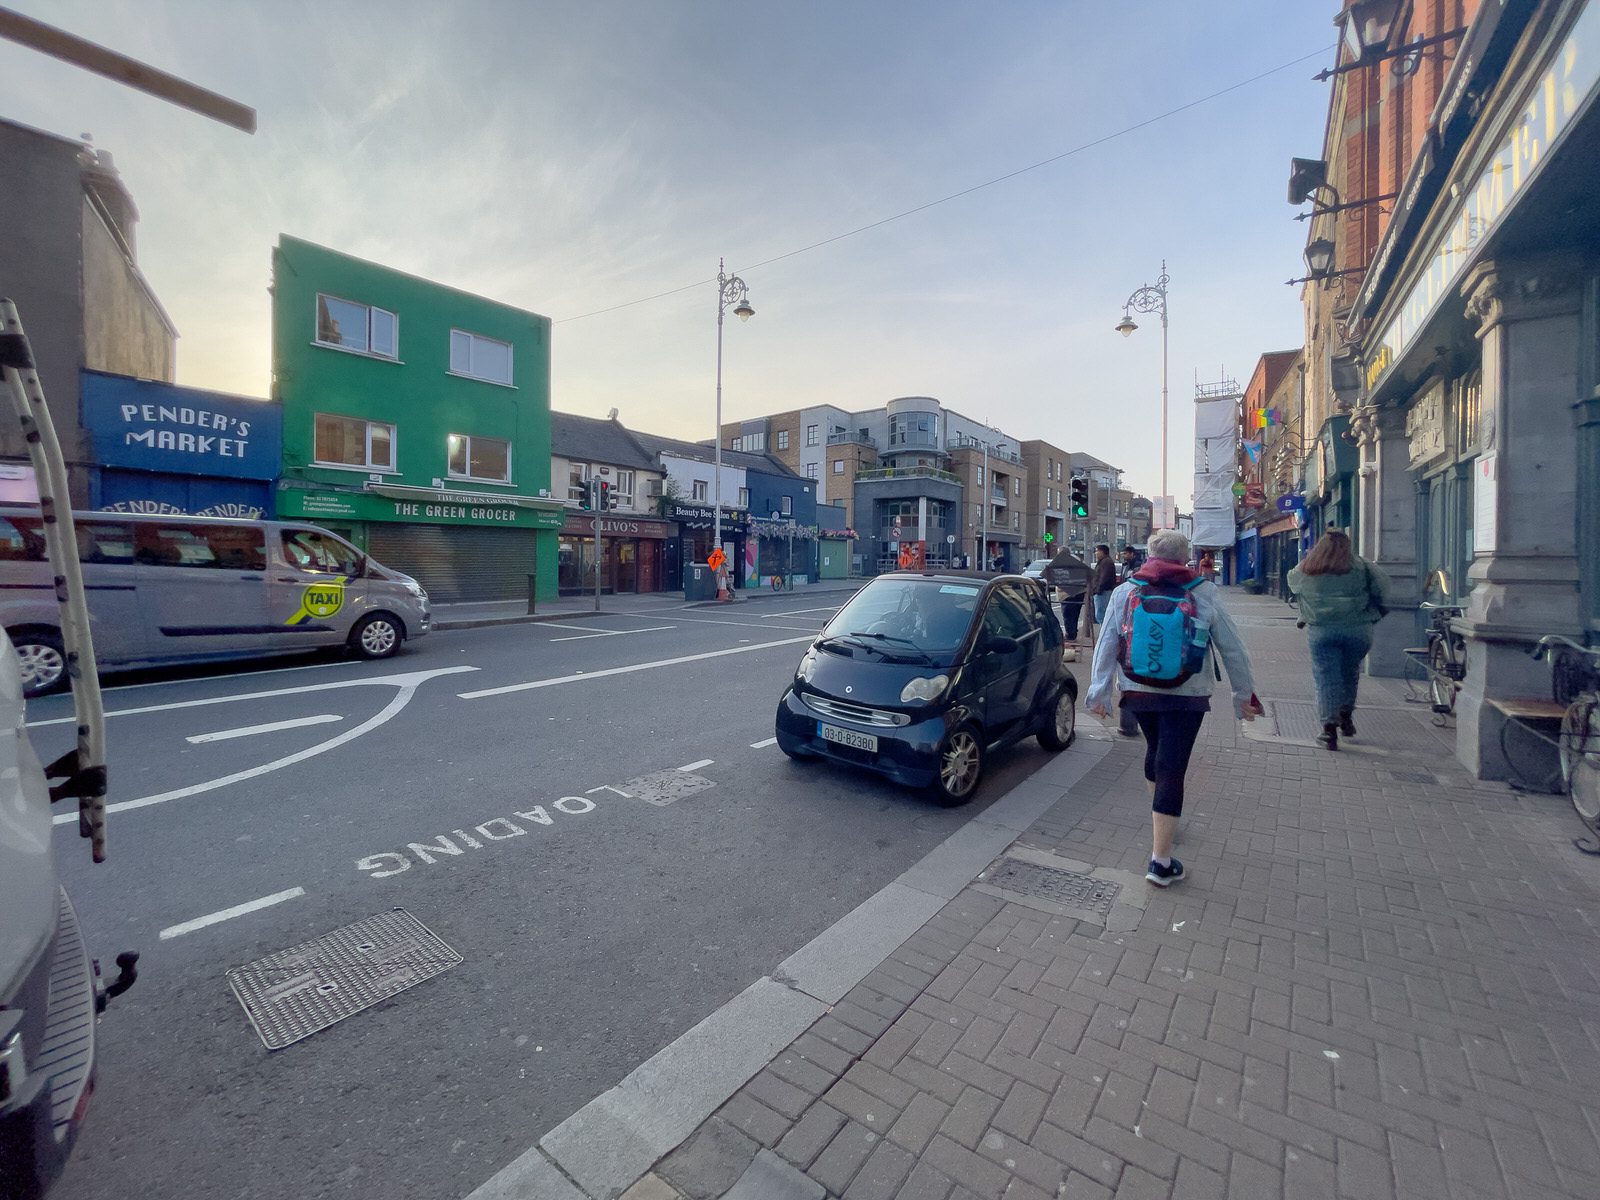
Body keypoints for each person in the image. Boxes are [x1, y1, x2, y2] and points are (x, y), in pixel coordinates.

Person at [1085, 529, 1262, 886]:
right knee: (1172, 767)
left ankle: (1161, 817)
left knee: (1156, 752)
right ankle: (1161, 862)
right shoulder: (1204, 591)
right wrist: (1244, 696)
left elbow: (1107, 643)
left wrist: (1099, 693)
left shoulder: (1126, 591)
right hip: (1189, 695)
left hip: (1138, 691)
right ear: (1185, 558)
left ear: (1149, 555)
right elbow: (1233, 648)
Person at [1287, 529, 1389, 751]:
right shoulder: (1362, 565)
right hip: (1358, 630)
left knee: (1326, 677)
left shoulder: (1307, 568)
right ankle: (1346, 717)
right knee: (1350, 671)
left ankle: (1328, 729)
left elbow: (1293, 583)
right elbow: (1383, 587)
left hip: (1322, 631)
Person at [1090, 544, 1117, 626]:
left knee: (1101, 615)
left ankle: (1104, 636)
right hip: (1103, 591)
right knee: (1101, 615)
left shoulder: (1106, 562)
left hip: (1103, 592)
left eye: (1097, 551)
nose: (1095, 553)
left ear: (1102, 552)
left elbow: (1103, 577)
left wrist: (1097, 590)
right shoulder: (1104, 561)